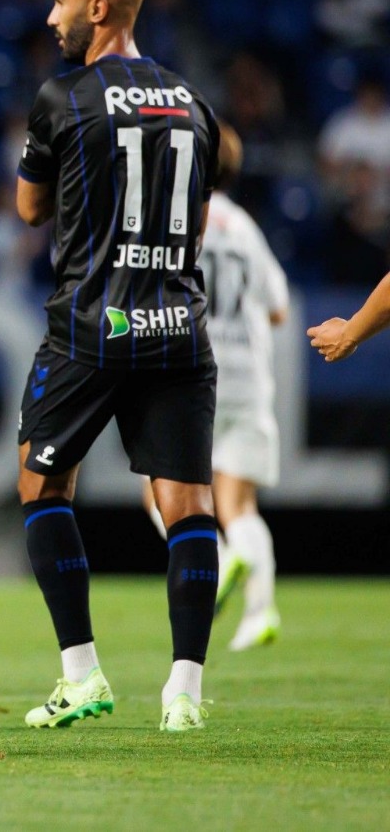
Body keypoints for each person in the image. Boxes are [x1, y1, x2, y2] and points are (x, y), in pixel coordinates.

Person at [14, 0, 222, 733]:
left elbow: (31, 209)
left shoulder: (61, 97)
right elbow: (197, 224)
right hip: (177, 326)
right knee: (188, 506)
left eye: (60, 0)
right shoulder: (195, 101)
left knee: (42, 486)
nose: (50, 16)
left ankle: (82, 674)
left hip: (92, 328)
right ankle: (185, 695)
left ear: (100, 9)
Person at [142, 124, 287, 651]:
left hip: (195, 371)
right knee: (239, 504)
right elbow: (278, 307)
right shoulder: (248, 228)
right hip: (251, 376)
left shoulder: (179, 218)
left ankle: (220, 560)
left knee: (160, 490)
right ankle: (261, 610)